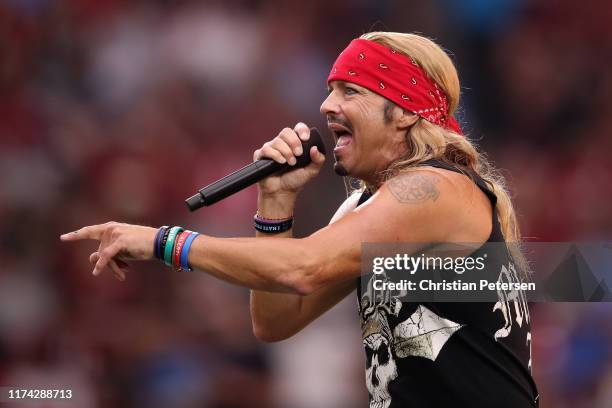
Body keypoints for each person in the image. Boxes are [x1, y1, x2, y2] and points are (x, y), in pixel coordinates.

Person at [61, 32, 539, 407]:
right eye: (330, 91)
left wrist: (165, 241)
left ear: (404, 114)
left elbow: (304, 267)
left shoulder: (437, 187)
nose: (327, 106)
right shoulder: (367, 207)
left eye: (351, 91)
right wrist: (275, 200)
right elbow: (275, 320)